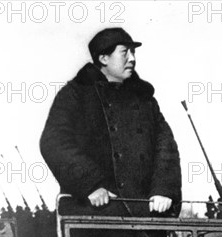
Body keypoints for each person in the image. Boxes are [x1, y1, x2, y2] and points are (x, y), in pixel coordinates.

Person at [40, 26, 181, 214]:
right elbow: (54, 142)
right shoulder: (75, 94)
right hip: (96, 214)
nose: (132, 58)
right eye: (125, 52)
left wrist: (163, 189)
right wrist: (90, 184)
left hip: (145, 212)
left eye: (133, 52)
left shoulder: (145, 99)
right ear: (103, 58)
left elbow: (166, 147)